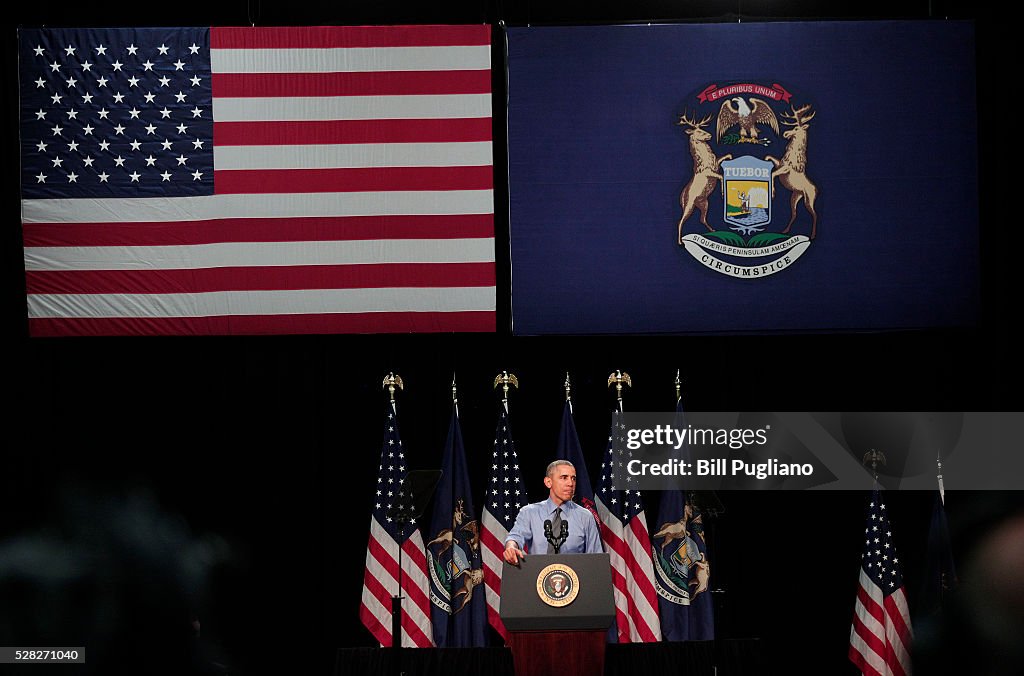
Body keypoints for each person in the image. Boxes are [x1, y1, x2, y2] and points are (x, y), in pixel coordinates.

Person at [503, 460, 602, 564]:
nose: (570, 483)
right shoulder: (529, 513)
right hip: (537, 577)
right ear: (548, 482)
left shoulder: (585, 516)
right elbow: (515, 538)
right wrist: (511, 548)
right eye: (564, 478)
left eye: (573, 478)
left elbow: (596, 558)